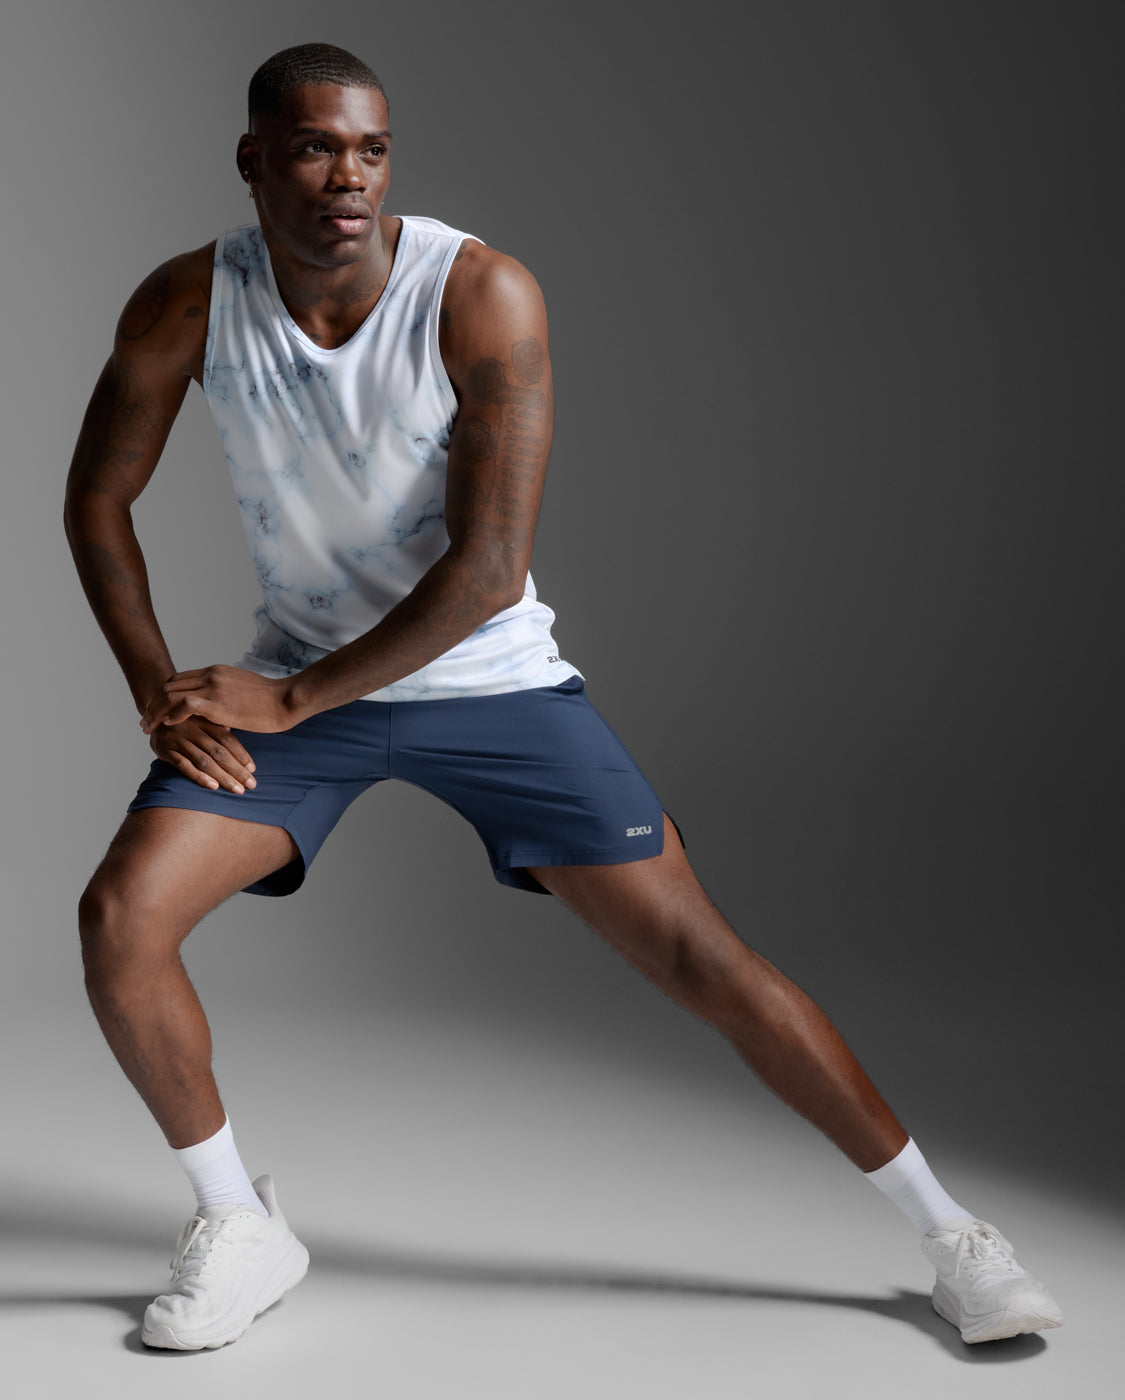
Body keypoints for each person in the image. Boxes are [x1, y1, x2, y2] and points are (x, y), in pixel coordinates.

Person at [64, 42, 1062, 1353]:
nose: (349, 176)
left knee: (702, 959)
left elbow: (485, 572)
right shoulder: (188, 300)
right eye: (313, 148)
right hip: (303, 684)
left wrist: (290, 700)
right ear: (254, 159)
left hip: (483, 684)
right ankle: (239, 1222)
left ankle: (952, 1235)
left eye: (371, 149)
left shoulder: (480, 291)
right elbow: (97, 501)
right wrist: (161, 693)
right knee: (121, 919)